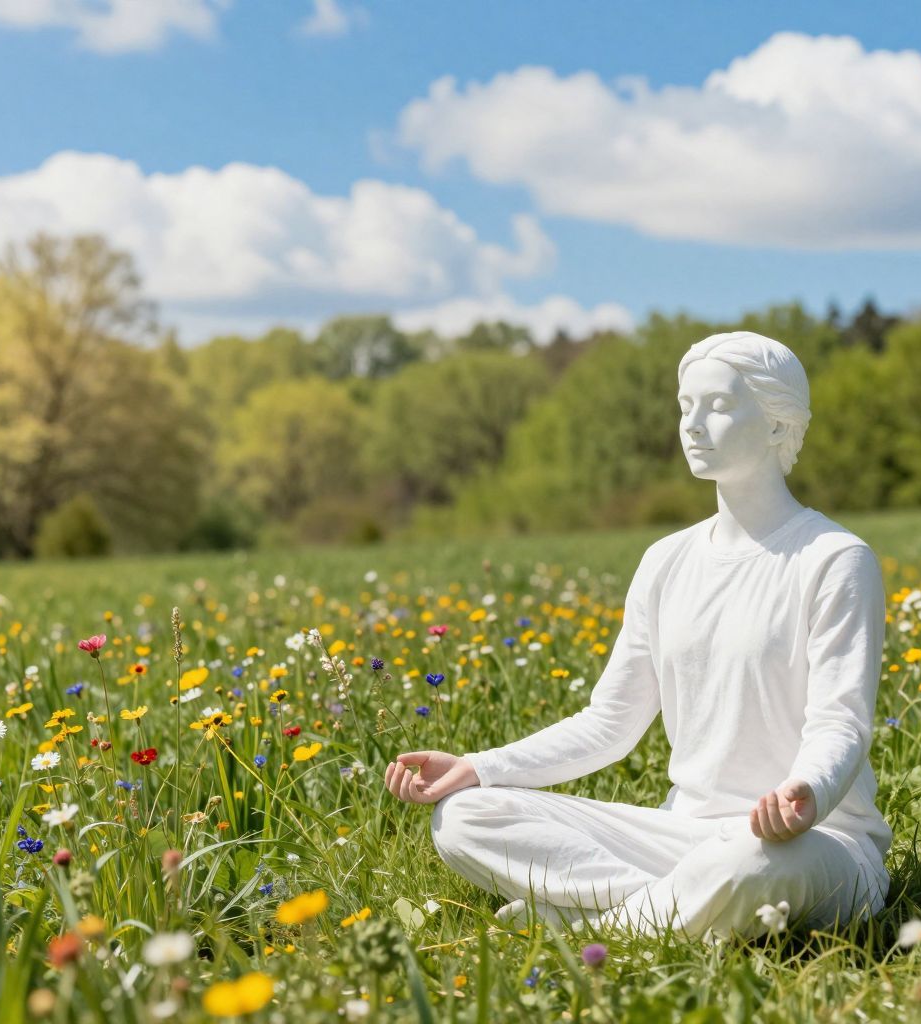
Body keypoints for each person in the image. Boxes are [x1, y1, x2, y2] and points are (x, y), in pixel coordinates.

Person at [382, 331, 893, 944]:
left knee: (751, 863)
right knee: (463, 818)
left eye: (720, 406)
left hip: (812, 840)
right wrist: (479, 767)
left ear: (780, 425)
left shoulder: (834, 558)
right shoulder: (665, 560)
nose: (694, 425)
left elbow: (842, 721)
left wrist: (806, 792)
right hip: (681, 837)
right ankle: (674, 911)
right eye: (685, 406)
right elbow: (610, 724)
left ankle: (593, 931)